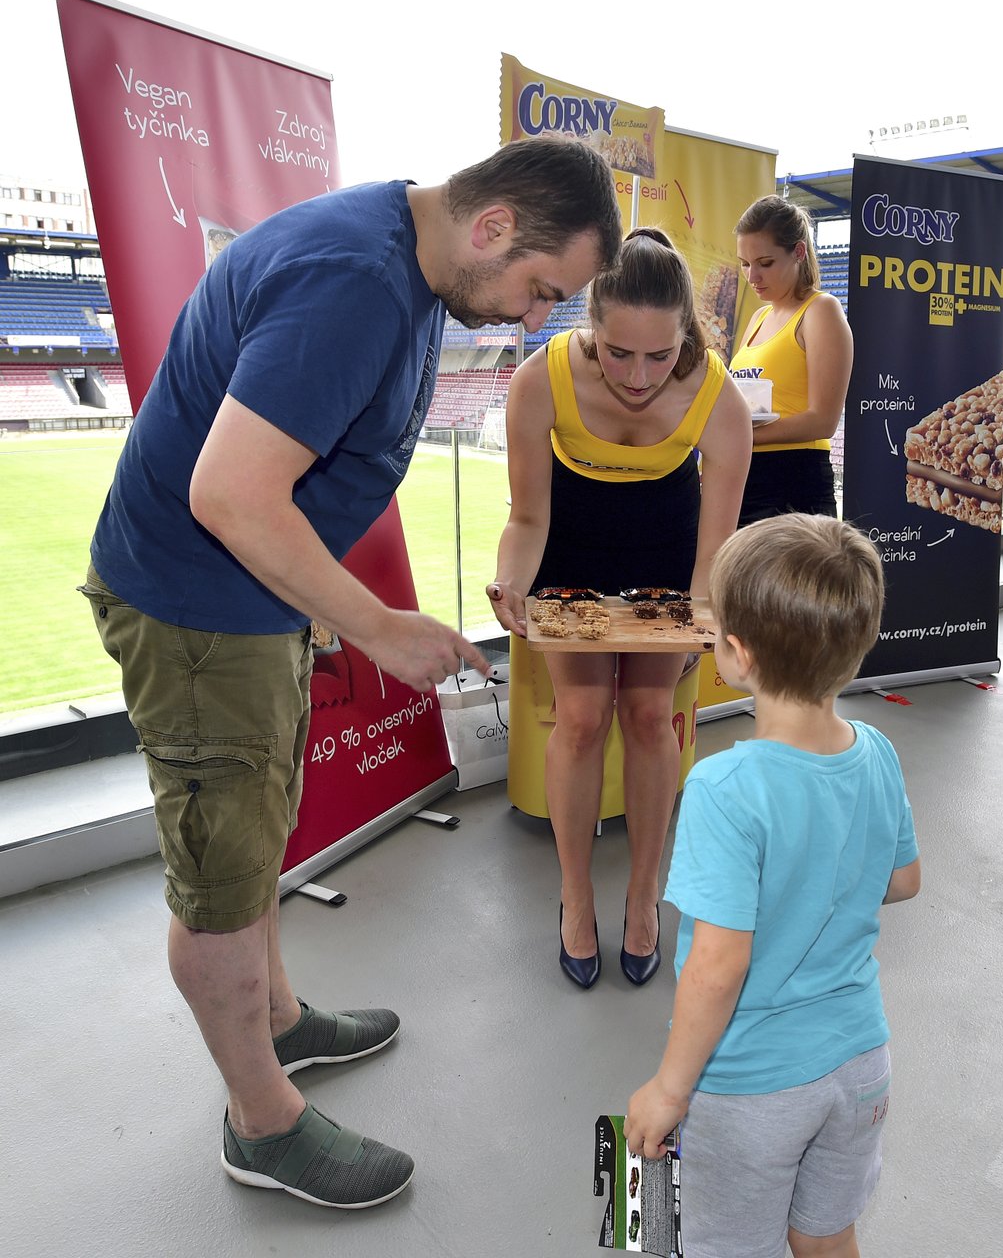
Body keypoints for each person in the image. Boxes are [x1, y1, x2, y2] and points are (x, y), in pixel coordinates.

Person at [78, 137, 622, 1211]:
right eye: (539, 290)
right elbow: (231, 495)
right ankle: (261, 1124)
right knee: (224, 883)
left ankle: (279, 1020)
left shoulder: (409, 260)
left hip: (250, 605)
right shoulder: (358, 283)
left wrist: (315, 606)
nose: (532, 319)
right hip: (196, 613)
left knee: (261, 825)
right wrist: (375, 624)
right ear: (495, 227)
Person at [625, 514, 921, 1258]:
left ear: (735, 654)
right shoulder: (877, 750)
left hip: (752, 1084)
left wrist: (667, 1090)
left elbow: (719, 967)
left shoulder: (725, 786)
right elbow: (904, 879)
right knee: (826, 1236)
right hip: (859, 1066)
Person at [486, 228, 752, 990]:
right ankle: (574, 897)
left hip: (664, 551)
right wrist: (512, 581)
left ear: (686, 338)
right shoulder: (538, 382)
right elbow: (528, 519)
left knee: (646, 715)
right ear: (589, 326)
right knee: (577, 717)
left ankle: (642, 897)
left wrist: (708, 619)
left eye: (659, 356)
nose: (637, 376)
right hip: (571, 544)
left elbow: (713, 553)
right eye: (617, 353)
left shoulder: (717, 398)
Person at [730, 195, 854, 526]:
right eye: (744, 263)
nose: (752, 276)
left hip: (794, 481)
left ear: (798, 252)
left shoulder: (820, 310)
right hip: (743, 478)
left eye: (765, 263)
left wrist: (738, 435)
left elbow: (822, 420)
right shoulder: (757, 318)